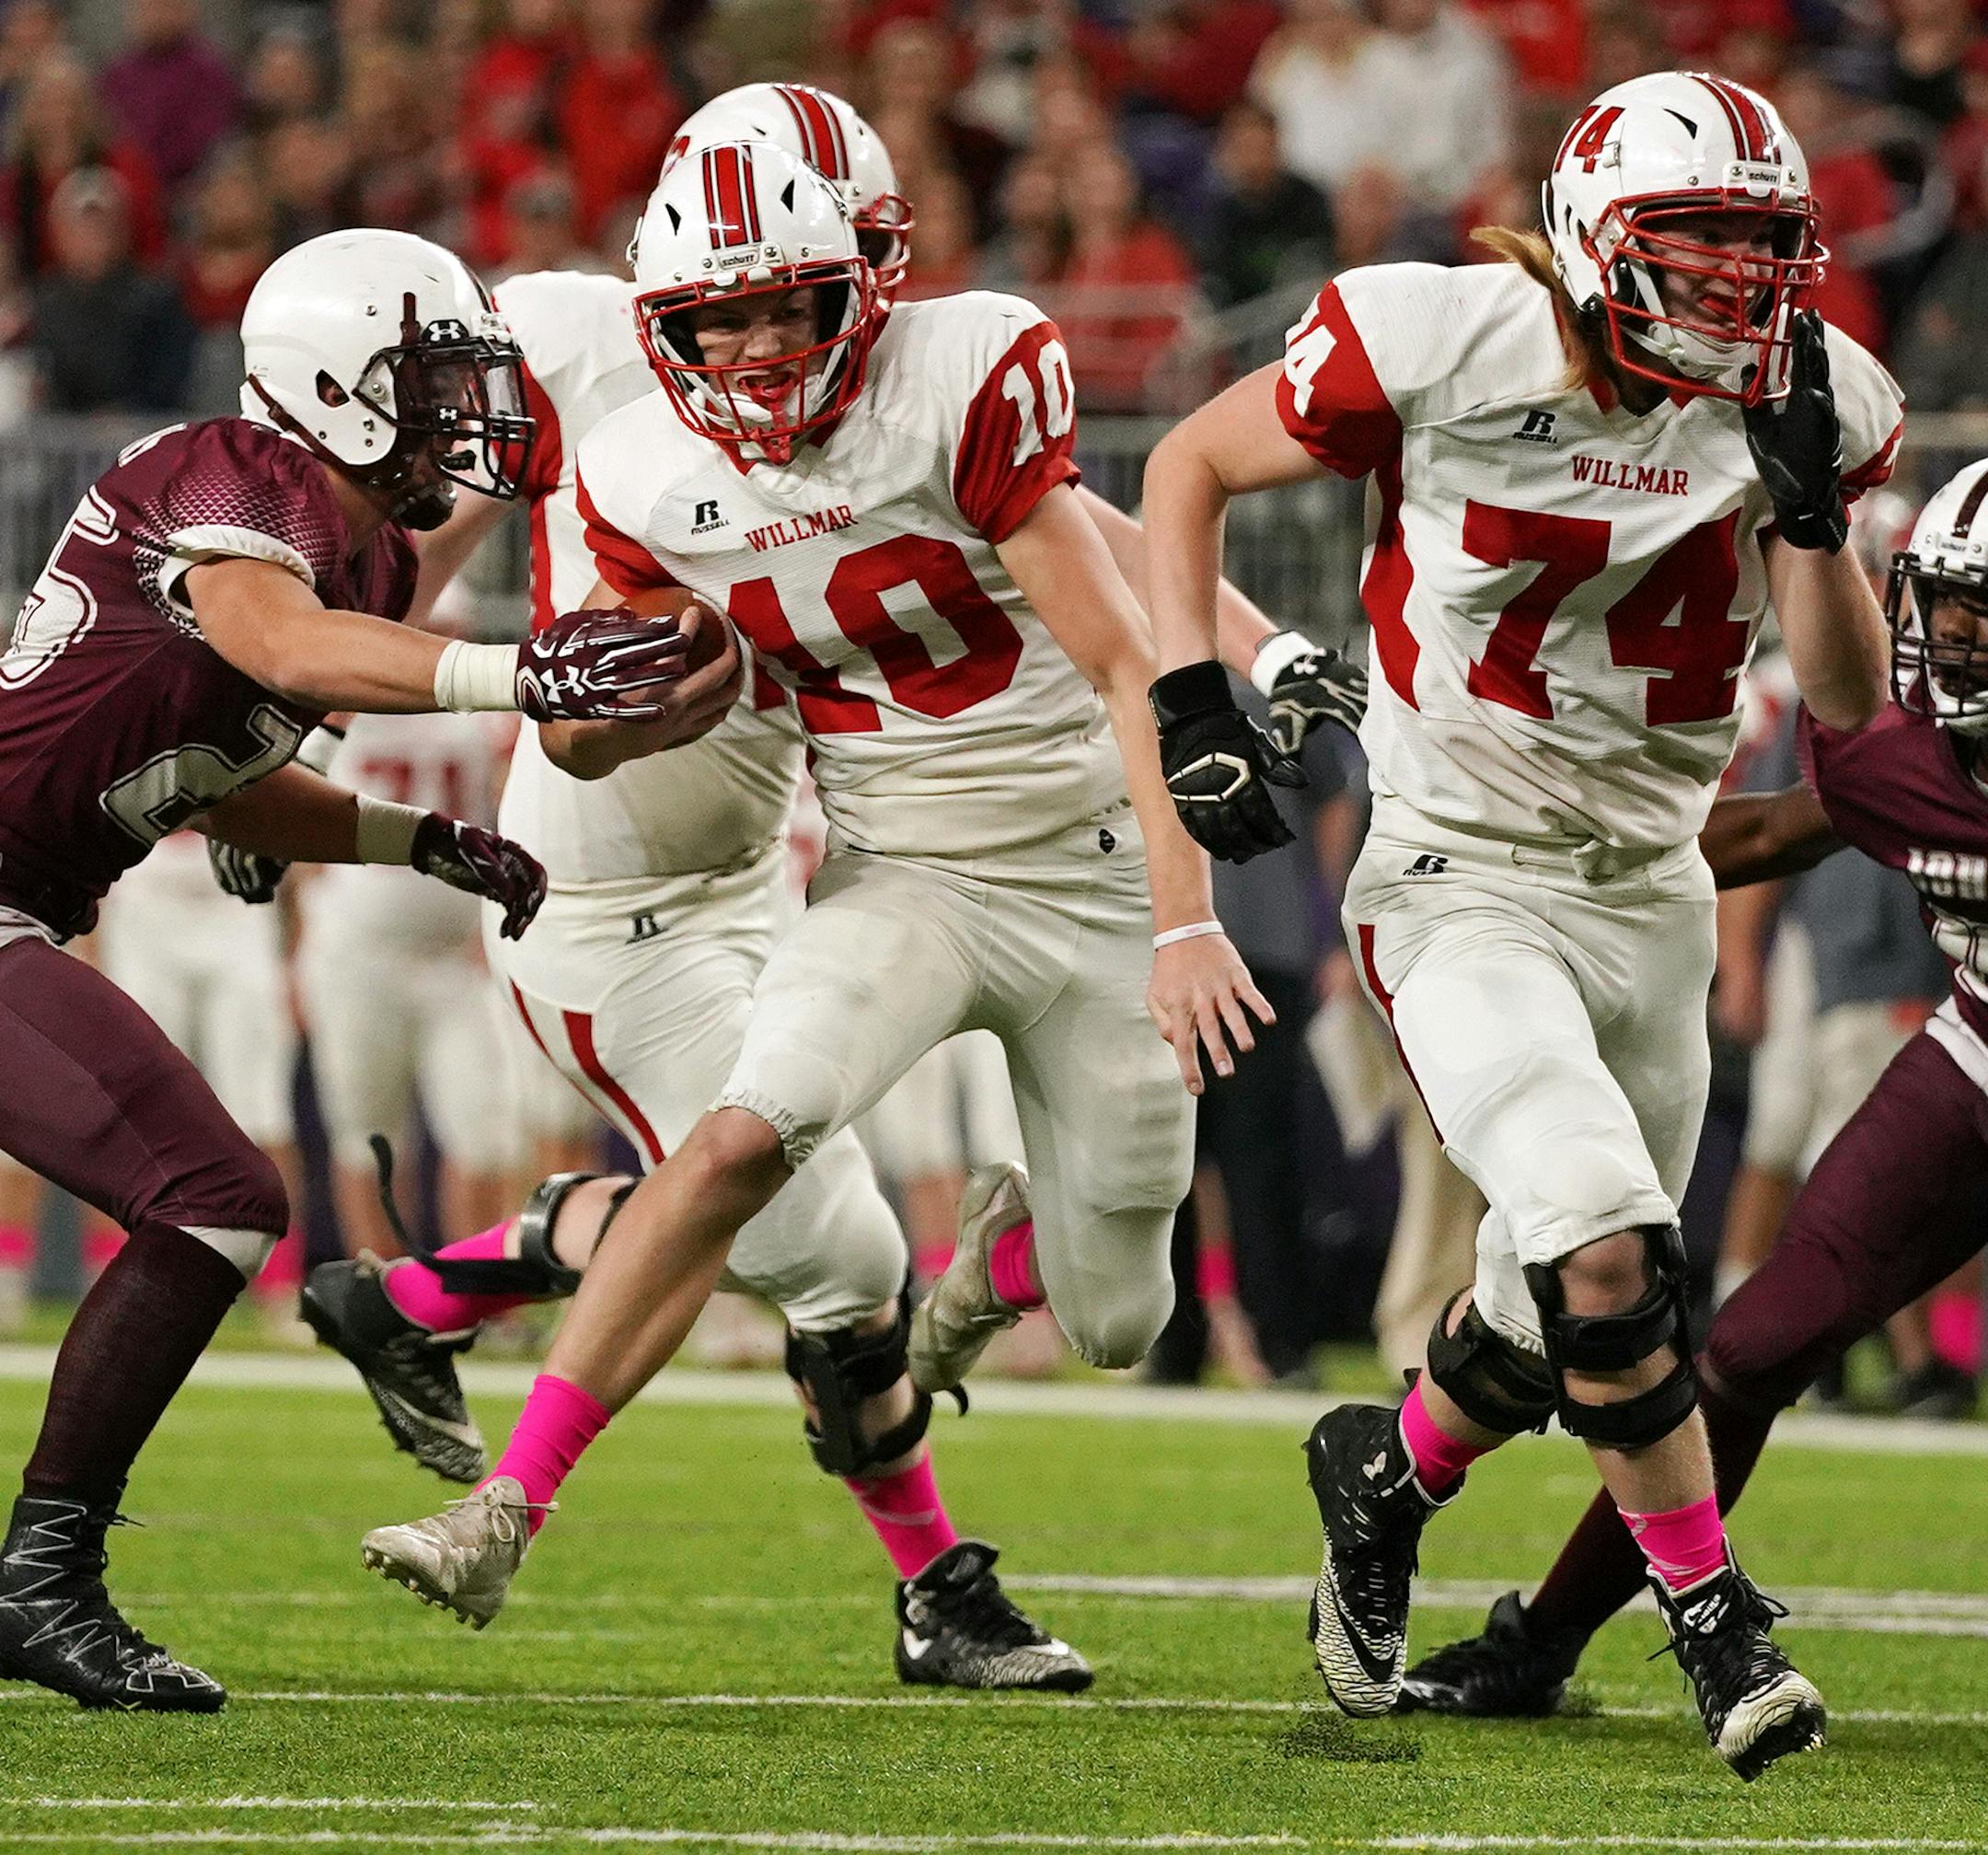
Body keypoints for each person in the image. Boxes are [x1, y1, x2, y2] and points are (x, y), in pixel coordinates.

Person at [313, 84, 1359, 1684]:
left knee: (1115, 1321)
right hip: (860, 874)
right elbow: (440, 568)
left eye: (784, 310)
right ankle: (515, 1501)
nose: (747, 358)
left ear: (870, 273)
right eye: (711, 323)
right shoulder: (620, 444)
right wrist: (560, 697)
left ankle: (955, 1289)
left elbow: (1115, 612)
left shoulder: (961, 377)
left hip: (1023, 868)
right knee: (773, 1175)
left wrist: (1191, 884)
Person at [1138, 72, 1903, 1780]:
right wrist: (1194, 692)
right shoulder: (1437, 338)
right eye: (1695, 250)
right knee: (1606, 1240)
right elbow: (1187, 461)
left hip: (1651, 893)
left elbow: (1847, 703)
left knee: (1551, 1301)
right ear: (1591, 240)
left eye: (1758, 254)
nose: (1733, 290)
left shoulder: (1817, 399)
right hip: (1458, 867)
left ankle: (1385, 1470)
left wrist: (1808, 515)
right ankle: (1716, 1621)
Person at [0, 226, 700, 1714]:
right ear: (340, 385)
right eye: (436, 382)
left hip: (19, 905)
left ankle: (39, 1578)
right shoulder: (225, 476)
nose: (466, 412)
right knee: (215, 1194)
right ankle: (40, 1582)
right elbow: (284, 649)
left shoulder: (366, 551)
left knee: (217, 1197)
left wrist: (416, 842)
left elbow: (212, 770)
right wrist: (521, 673)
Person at [1396, 455, 1988, 1716]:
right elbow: (1768, 830)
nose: (1960, 648)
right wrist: (1531, 871)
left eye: (1987, 624)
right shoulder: (1901, 752)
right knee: (1754, 1344)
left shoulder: (1896, 761)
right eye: (1950, 615)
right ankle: (1538, 1644)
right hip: (1980, 1052)